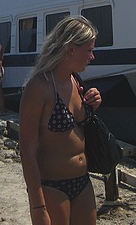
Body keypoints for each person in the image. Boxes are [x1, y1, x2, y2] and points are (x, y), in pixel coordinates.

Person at [19, 16, 102, 225]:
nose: (92, 56)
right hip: (53, 186)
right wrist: (37, 205)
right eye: (89, 50)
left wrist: (92, 105)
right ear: (71, 48)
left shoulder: (76, 81)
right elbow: (27, 148)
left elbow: (79, 129)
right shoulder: (39, 87)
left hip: (83, 183)